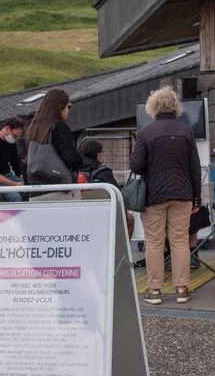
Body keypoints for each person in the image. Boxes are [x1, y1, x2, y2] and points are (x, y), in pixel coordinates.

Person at [131, 86, 201, 305]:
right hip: (182, 194)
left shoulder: (145, 132)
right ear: (175, 106)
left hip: (154, 195)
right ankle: (182, 289)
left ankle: (154, 291)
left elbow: (136, 165)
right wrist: (196, 198)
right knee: (180, 241)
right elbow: (195, 169)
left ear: (153, 107)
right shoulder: (186, 131)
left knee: (154, 242)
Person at [23, 88, 84, 198]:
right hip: (60, 189)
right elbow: (71, 158)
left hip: (36, 192)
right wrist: (80, 161)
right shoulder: (59, 127)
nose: (69, 110)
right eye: (68, 106)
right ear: (60, 107)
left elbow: (24, 159)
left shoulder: (32, 128)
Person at [79, 139, 135, 237]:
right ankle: (119, 246)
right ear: (98, 155)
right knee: (130, 219)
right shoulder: (103, 172)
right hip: (102, 215)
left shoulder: (74, 170)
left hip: (80, 215)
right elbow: (117, 194)